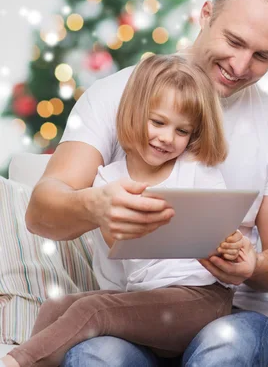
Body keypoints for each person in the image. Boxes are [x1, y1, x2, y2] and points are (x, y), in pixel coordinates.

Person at [25, 0, 268, 367]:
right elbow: (41, 212)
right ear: (206, 13)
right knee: (94, 356)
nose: (241, 65)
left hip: (228, 313)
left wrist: (251, 265)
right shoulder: (116, 95)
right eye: (234, 41)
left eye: (262, 56)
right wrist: (95, 206)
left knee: (228, 346)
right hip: (131, 316)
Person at [3, 54, 246, 367]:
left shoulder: (198, 171)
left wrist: (232, 245)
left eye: (182, 131)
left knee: (93, 310)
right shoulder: (108, 179)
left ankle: (15, 362)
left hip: (201, 299)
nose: (167, 138)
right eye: (158, 122)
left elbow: (225, 233)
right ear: (134, 112)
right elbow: (114, 246)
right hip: (144, 301)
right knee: (56, 307)